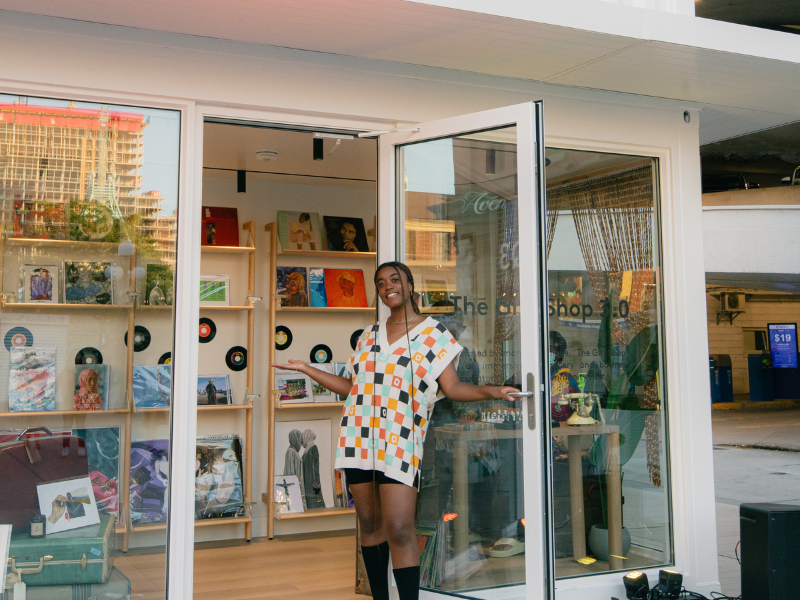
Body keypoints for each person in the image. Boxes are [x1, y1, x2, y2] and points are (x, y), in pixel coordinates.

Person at [273, 261, 518, 600]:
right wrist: (307, 369)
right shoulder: (368, 335)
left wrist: (493, 391)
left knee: (400, 529)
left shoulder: (434, 334)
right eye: (380, 282)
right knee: (370, 525)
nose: (387, 286)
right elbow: (352, 388)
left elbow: (453, 387)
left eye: (394, 279)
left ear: (410, 285)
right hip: (358, 438)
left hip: (400, 441)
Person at [301, 429, 325, 509]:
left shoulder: (313, 448)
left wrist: (316, 484)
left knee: (314, 504)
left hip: (312, 484)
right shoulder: (307, 450)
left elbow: (315, 467)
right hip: (307, 482)